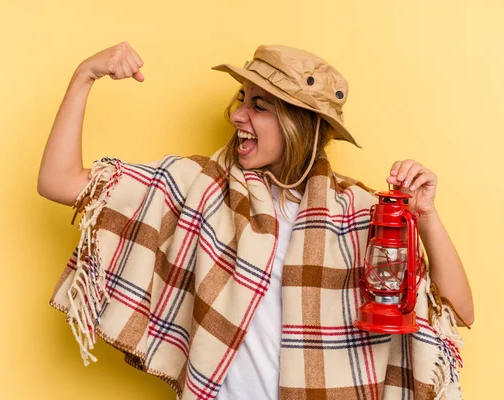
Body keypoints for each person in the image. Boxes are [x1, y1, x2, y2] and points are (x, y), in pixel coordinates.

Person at [38, 42, 474, 400]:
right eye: (242, 99)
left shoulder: (360, 214)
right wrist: (84, 76)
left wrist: (427, 217)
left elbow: (458, 309)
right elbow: (59, 182)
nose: (236, 116)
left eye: (259, 106)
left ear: (299, 125)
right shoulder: (201, 187)